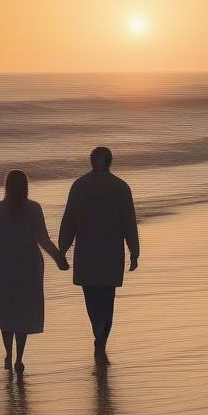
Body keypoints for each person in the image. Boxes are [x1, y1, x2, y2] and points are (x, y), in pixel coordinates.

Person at [58, 146, 139, 364]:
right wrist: (134, 252)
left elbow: (69, 221)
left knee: (92, 300)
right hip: (112, 254)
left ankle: (98, 337)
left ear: (91, 161)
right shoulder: (121, 187)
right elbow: (129, 223)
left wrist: (62, 250)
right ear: (110, 161)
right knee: (108, 300)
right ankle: (101, 341)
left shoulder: (80, 186)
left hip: (87, 254)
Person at [0, 169, 67, 373]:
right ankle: (19, 357)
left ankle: (9, 354)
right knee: (23, 311)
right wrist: (58, 258)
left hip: (5, 263)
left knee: (6, 311)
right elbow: (43, 239)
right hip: (29, 263)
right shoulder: (34, 209)